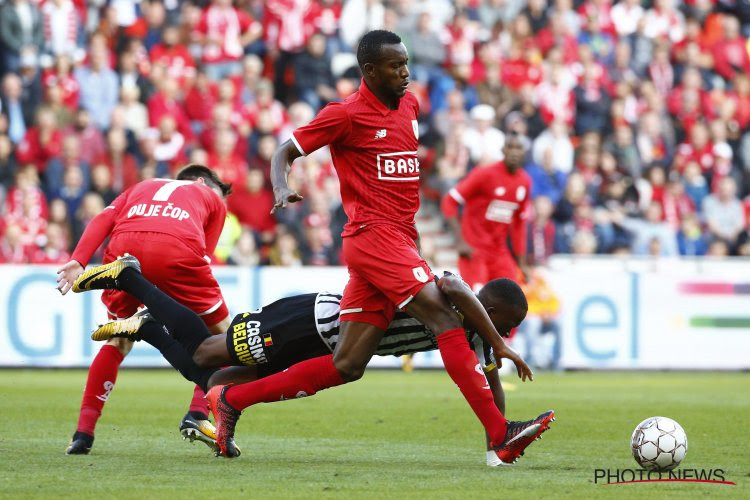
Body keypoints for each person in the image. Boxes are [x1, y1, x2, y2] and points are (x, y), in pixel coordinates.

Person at [211, 30, 552, 462]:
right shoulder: (345, 115)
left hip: (399, 238)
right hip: (372, 235)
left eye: (406, 63)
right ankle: (500, 433)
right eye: (395, 66)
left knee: (347, 365)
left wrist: (415, 241)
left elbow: (403, 179)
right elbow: (285, 151)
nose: (405, 73)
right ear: (370, 71)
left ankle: (232, 400)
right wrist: (281, 187)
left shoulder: (409, 105)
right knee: (445, 316)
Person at [73, 254, 539, 466]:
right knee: (203, 353)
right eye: (508, 324)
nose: (508, 334)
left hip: (321, 345)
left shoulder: (473, 335)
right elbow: (454, 283)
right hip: (306, 322)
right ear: (492, 311)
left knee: (209, 375)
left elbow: (487, 385)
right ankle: (131, 279)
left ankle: (148, 327)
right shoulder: (452, 301)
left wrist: (496, 448)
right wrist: (501, 342)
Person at [55, 164, 232, 455]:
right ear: (202, 182)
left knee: (118, 339)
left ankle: (82, 435)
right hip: (177, 250)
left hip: (125, 246)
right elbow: (204, 256)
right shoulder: (211, 199)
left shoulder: (142, 185)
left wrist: (79, 259)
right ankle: (198, 414)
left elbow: (104, 217)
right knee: (228, 340)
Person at [441, 134, 532, 291]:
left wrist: (521, 263)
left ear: (525, 153)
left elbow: (518, 224)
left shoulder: (524, 182)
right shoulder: (485, 174)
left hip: (499, 252)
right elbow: (449, 201)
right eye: (511, 147)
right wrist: (460, 241)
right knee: (478, 301)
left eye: (519, 148)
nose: (514, 152)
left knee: (511, 299)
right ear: (503, 150)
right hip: (474, 250)